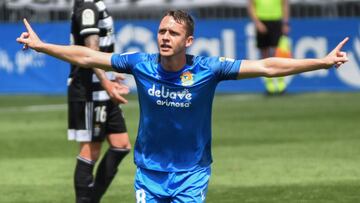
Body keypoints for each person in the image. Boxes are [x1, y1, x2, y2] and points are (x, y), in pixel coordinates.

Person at [17, 10, 349, 203]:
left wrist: (320, 63)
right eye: (161, 31)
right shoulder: (141, 64)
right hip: (149, 173)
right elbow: (89, 56)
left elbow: (267, 67)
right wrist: (43, 46)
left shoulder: (208, 69)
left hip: (192, 173)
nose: (164, 37)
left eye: (172, 33)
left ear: (188, 41)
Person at [68, 0, 131, 202]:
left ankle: (91, 200)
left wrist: (110, 76)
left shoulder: (95, 4)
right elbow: (91, 50)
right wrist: (106, 81)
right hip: (89, 89)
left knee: (121, 145)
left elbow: (99, 50)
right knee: (91, 150)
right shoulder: (88, 7)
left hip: (101, 86)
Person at [247, 0, 290, 95]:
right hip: (262, 21)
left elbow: (285, 4)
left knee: (278, 55)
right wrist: (257, 23)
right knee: (264, 55)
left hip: (276, 21)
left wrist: (285, 23)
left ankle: (281, 84)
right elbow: (251, 6)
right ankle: (269, 85)